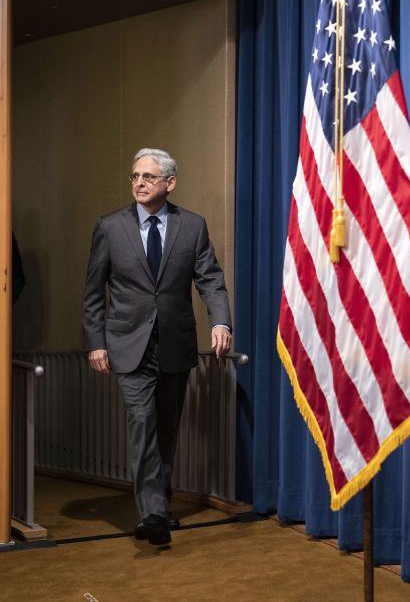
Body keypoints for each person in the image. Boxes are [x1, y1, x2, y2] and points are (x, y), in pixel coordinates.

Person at [81, 148, 232, 547]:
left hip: (175, 346)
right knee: (143, 423)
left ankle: (159, 507)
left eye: (148, 177)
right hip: (128, 347)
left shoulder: (192, 226)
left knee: (166, 429)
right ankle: (152, 515)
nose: (139, 183)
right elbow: (93, 293)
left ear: (170, 182)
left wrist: (219, 319)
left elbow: (211, 279)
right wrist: (95, 343)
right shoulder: (110, 227)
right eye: (134, 176)